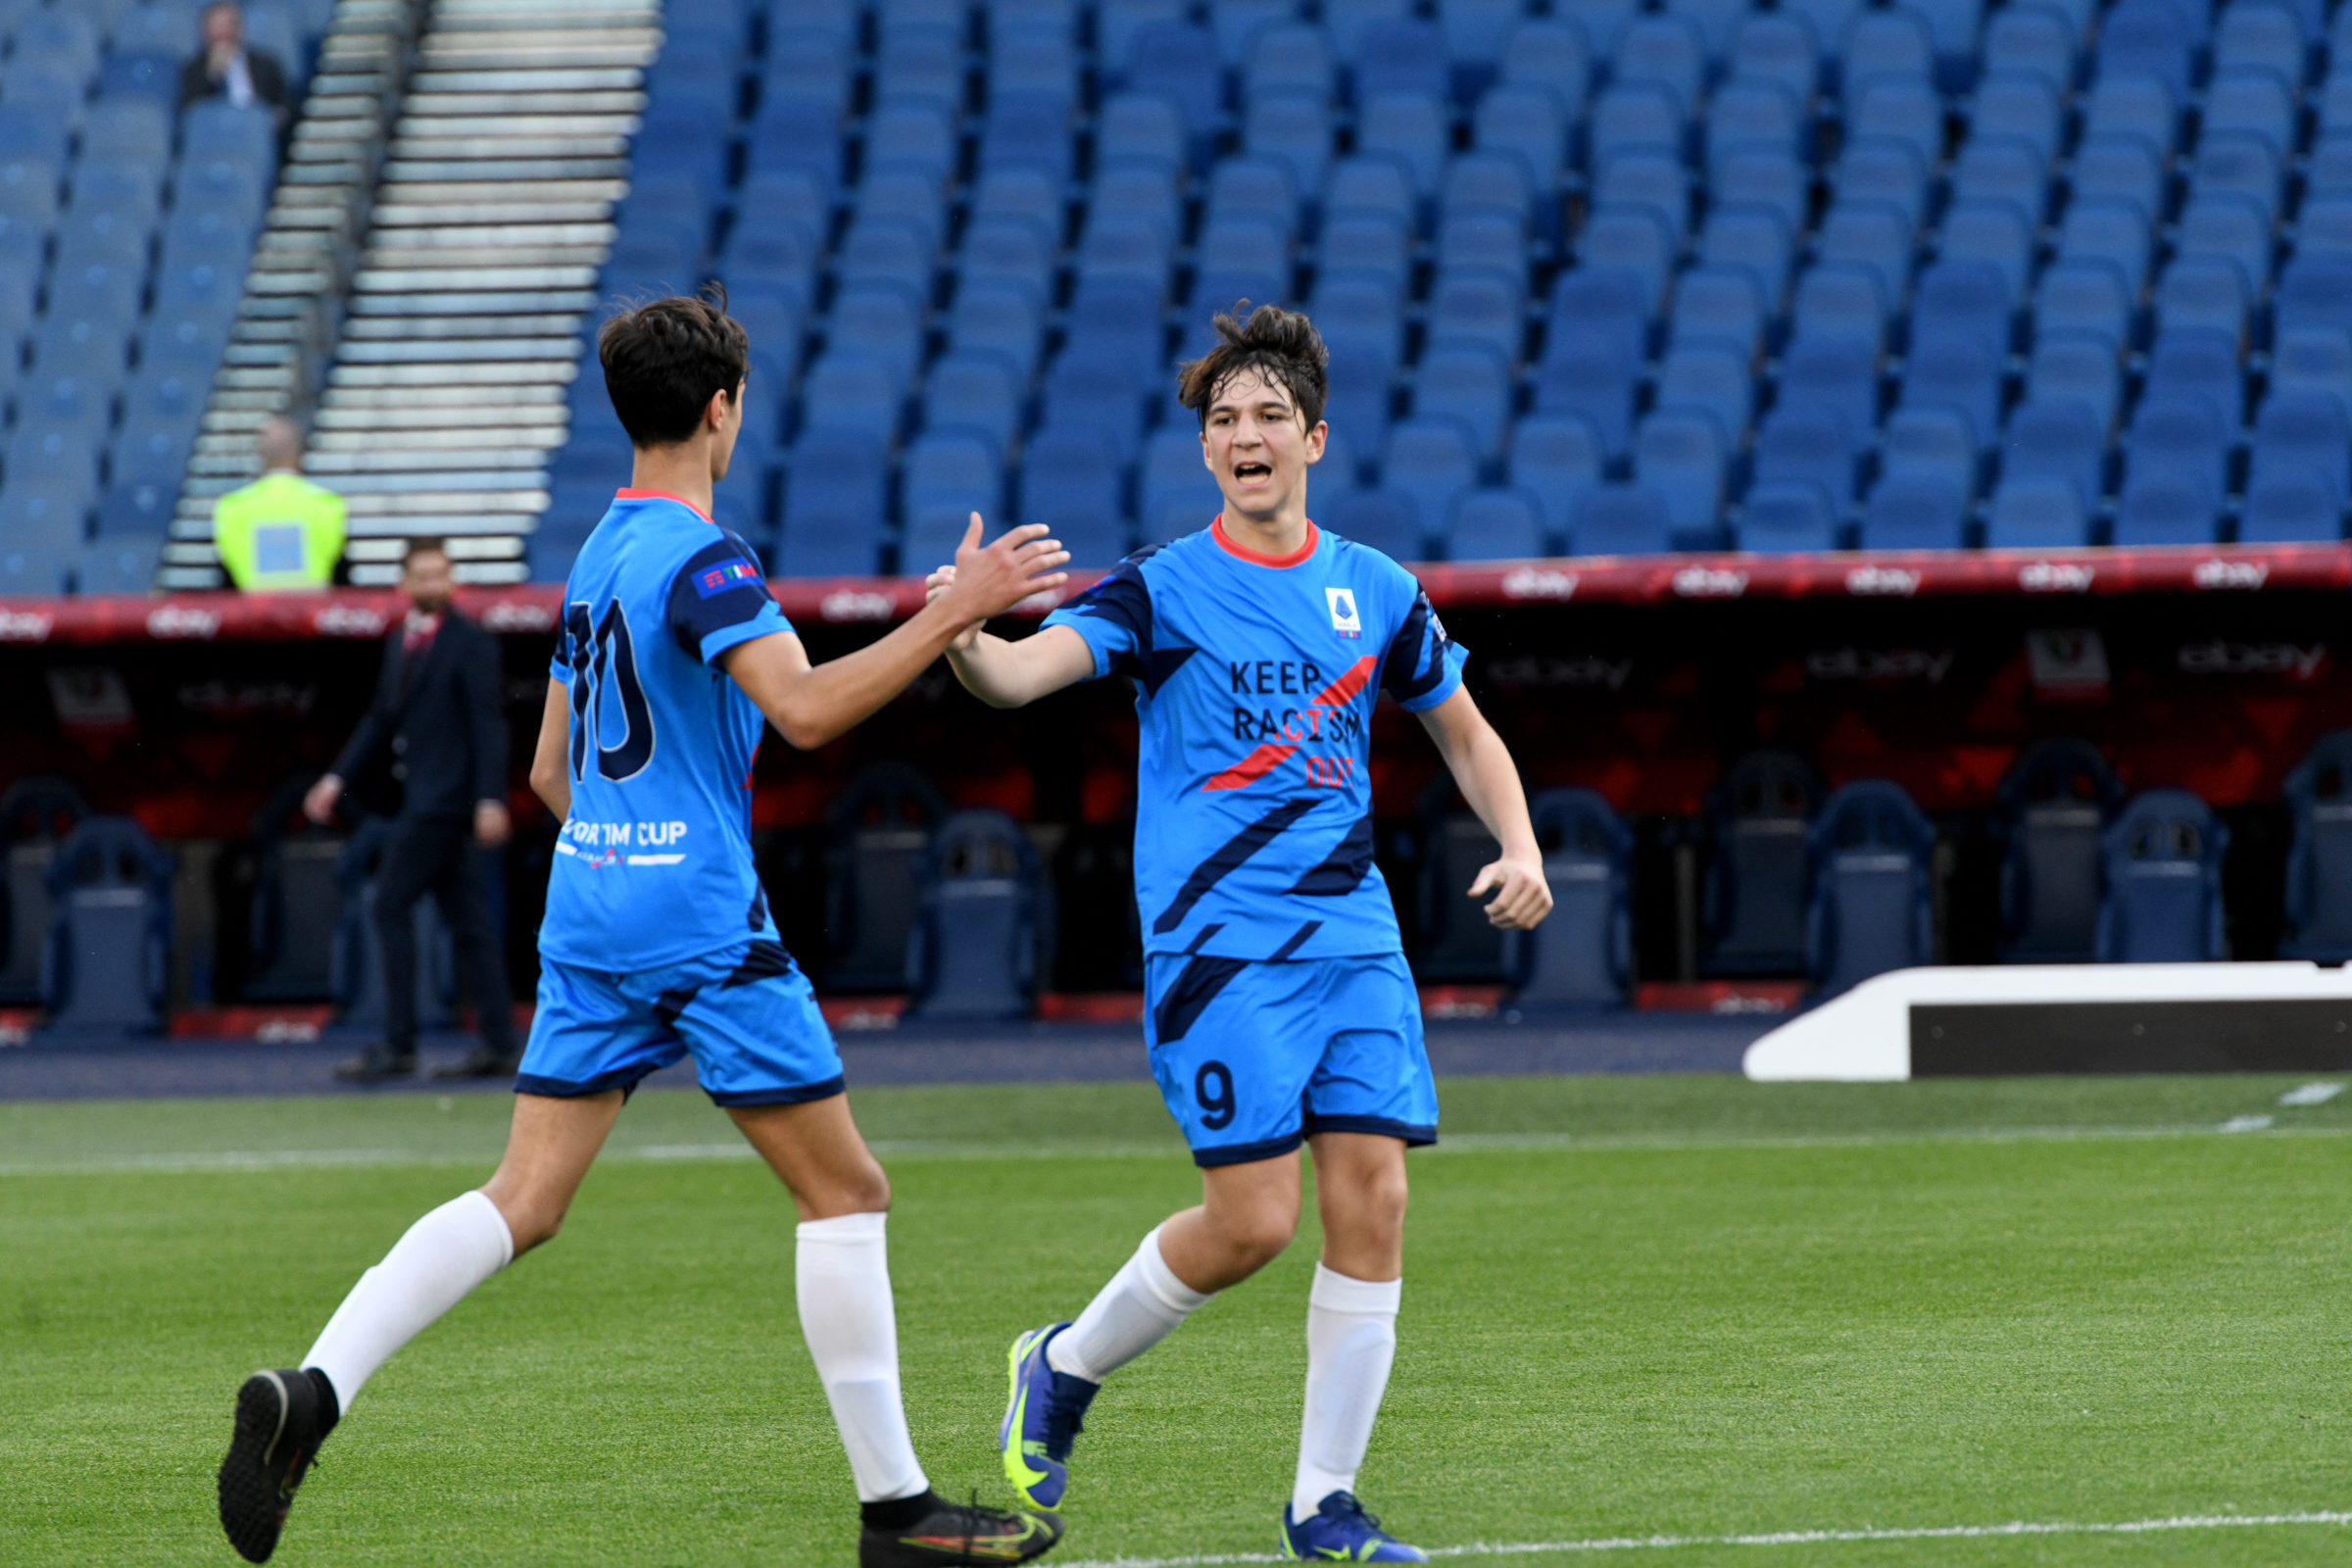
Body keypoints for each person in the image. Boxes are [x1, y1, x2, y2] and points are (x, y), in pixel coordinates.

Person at [217, 289, 1073, 1568]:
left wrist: (632, 846)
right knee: (845, 1191)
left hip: (592, 905)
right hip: (698, 916)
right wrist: (959, 609)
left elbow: (555, 774)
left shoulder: (600, 555)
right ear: (722, 410)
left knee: (523, 1196)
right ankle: (897, 1516)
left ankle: (317, 1388)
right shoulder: (706, 559)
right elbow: (806, 712)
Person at [924, 305, 1553, 1563]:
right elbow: (1022, 676)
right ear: (1206, 453)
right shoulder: (1160, 590)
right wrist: (962, 633)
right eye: (1225, 420)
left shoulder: (1375, 589)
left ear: (1314, 437)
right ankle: (1059, 1364)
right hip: (1222, 949)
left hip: (1353, 941)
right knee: (1254, 1222)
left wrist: (1522, 843)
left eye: (1269, 415)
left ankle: (1324, 1504)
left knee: (1373, 1197)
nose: (1247, 434)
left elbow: (1467, 732)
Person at [307, 537, 519, 1083]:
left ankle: (400, 1045)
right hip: (421, 796)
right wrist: (336, 778)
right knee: (469, 922)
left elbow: (487, 724)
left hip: (441, 804)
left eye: (441, 574)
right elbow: (382, 718)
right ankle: (499, 1042)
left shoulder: (469, 642)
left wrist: (490, 797)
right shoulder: (402, 640)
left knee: (390, 904)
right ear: (404, 583)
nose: (433, 584)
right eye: (423, 576)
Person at [212, 417, 347, 591]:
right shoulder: (328, 505)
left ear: (260, 455)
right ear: (301, 454)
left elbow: (225, 582)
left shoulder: (232, 508)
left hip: (252, 614)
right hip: (309, 613)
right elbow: (341, 579)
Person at [177, 0, 290, 119]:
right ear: (204, 32)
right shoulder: (193, 69)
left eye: (229, 24)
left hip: (256, 129)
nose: (223, 32)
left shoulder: (266, 65)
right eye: (217, 26)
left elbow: (285, 106)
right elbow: (188, 112)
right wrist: (211, 76)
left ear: (240, 28)